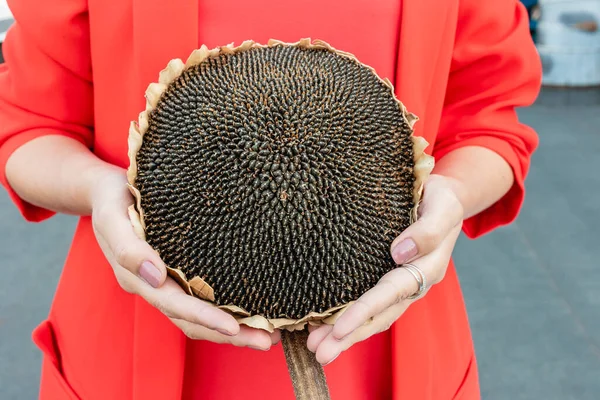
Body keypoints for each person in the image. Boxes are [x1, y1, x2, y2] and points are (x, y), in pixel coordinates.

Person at [0, 0, 541, 399]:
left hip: (388, 342)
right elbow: (27, 126)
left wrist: (452, 196)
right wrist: (99, 189)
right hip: (135, 338)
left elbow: (489, 122)